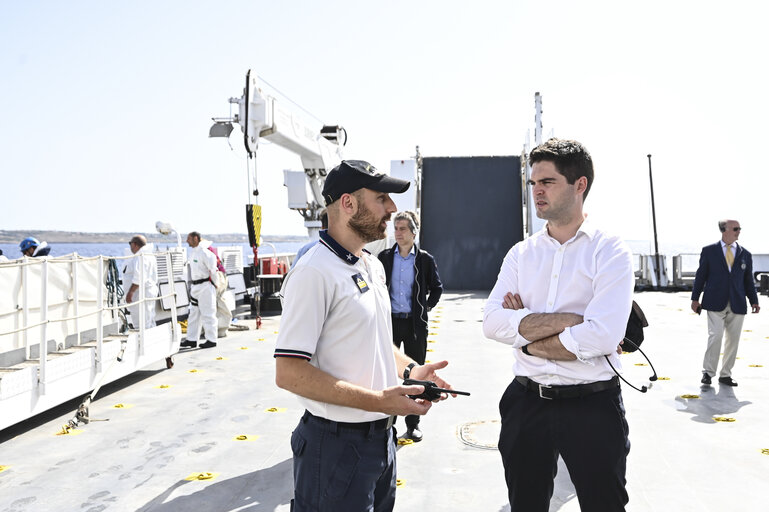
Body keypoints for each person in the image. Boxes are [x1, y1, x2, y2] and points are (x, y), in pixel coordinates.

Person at [274, 159, 456, 512]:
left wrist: (411, 371)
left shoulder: (369, 265)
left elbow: (374, 341)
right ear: (348, 204)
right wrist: (380, 401)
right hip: (335, 445)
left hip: (381, 440)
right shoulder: (314, 271)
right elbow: (290, 373)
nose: (392, 208)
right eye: (382, 198)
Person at [483, 138, 635, 512]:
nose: (536, 191)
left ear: (579, 184)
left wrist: (526, 336)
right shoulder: (521, 254)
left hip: (592, 405)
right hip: (525, 403)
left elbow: (602, 335)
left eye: (547, 182)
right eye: (533, 183)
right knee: (525, 505)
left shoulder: (610, 250)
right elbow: (491, 323)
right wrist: (570, 322)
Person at [377, 210, 443, 442]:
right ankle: (388, 426)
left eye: (403, 228)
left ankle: (413, 425)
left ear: (413, 232)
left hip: (415, 326)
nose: (398, 233)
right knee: (389, 374)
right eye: (396, 228)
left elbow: (437, 289)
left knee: (415, 377)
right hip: (391, 324)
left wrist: (424, 308)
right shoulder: (384, 258)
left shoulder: (425, 259)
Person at [691, 219, 760, 387]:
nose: (738, 231)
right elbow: (701, 276)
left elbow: (748, 281)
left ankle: (726, 374)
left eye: (739, 228)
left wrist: (754, 301)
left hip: (737, 302)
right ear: (724, 230)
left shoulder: (745, 254)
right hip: (714, 301)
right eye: (735, 228)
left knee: (733, 340)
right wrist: (695, 298)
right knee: (716, 336)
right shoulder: (709, 251)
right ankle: (708, 372)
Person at [181, 231, 218, 349]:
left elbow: (213, 271)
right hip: (195, 287)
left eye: (189, 238)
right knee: (193, 314)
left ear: (196, 238)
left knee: (208, 313)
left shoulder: (206, 254)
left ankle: (211, 340)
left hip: (205, 286)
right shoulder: (193, 253)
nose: (186, 241)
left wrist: (215, 285)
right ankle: (191, 339)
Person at [123, 235, 159, 329]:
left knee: (141, 321)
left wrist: (130, 292)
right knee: (148, 319)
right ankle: (151, 339)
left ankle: (143, 341)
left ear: (135, 244)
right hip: (147, 291)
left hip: (141, 293)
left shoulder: (141, 257)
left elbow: (139, 277)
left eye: (130, 243)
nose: (130, 246)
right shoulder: (149, 255)